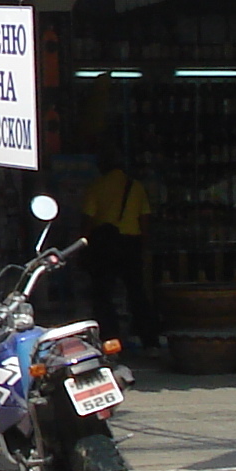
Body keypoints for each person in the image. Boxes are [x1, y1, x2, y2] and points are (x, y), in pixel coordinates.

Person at [82, 146, 157, 348]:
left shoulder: (97, 186)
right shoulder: (136, 187)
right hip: (131, 244)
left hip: (105, 245)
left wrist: (82, 246)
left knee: (103, 294)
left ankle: (111, 339)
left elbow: (88, 221)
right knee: (137, 293)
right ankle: (150, 341)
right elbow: (145, 219)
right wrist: (145, 246)